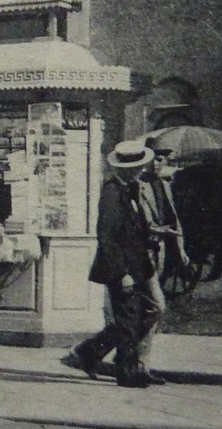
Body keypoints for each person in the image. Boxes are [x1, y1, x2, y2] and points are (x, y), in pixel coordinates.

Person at [61, 141, 160, 389]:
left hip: (138, 265)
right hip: (121, 268)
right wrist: (123, 274)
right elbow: (107, 237)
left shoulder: (131, 189)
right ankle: (126, 374)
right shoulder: (112, 193)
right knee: (127, 321)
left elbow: (132, 229)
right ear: (124, 168)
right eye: (134, 167)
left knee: (139, 316)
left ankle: (88, 353)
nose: (138, 171)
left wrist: (152, 235)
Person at [136, 144, 187, 382]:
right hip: (141, 255)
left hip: (160, 254)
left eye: (162, 160)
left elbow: (173, 219)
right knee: (155, 306)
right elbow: (143, 224)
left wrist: (181, 250)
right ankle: (136, 364)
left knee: (146, 310)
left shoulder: (165, 186)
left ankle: (136, 363)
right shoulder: (137, 185)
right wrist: (160, 231)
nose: (157, 164)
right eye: (154, 159)